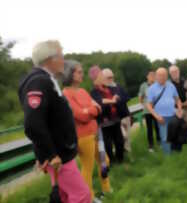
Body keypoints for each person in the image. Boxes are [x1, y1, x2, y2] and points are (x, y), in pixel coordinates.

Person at [18, 40, 91, 203]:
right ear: (49, 59)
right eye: (61, 55)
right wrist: (50, 154)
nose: (63, 60)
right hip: (58, 155)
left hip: (57, 153)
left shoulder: (45, 79)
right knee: (82, 196)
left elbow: (46, 119)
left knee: (64, 196)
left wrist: (43, 152)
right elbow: (32, 124)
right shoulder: (38, 81)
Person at [62, 60, 111, 202]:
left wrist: (89, 110)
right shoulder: (66, 94)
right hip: (83, 136)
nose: (82, 74)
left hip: (96, 132)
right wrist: (90, 110)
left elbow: (97, 108)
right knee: (87, 167)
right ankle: (89, 197)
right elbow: (80, 116)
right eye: (78, 72)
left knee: (104, 161)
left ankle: (106, 188)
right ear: (69, 74)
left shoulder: (83, 91)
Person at [90, 66, 125, 163]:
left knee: (120, 141)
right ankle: (112, 162)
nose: (102, 77)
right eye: (100, 75)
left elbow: (117, 96)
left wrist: (116, 97)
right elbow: (100, 101)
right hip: (104, 122)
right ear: (96, 77)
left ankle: (120, 160)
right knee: (108, 145)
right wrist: (112, 100)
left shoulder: (108, 88)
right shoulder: (94, 91)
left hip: (115, 119)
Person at [147, 67, 182, 154]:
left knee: (174, 134)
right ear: (156, 76)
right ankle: (168, 156)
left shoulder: (171, 85)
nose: (162, 77)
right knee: (165, 137)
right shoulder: (151, 88)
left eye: (164, 75)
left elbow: (177, 99)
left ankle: (176, 152)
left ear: (167, 76)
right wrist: (157, 116)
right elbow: (149, 106)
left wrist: (180, 110)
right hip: (161, 117)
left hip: (173, 115)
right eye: (159, 75)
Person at [102, 68, 131, 152]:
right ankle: (120, 151)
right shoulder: (104, 90)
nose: (111, 79)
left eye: (112, 77)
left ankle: (128, 153)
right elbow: (104, 103)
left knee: (127, 137)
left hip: (125, 115)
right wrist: (113, 101)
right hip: (115, 118)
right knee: (122, 136)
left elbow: (127, 97)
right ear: (103, 78)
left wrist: (118, 99)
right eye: (109, 77)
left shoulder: (118, 86)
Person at [138, 71, 161, 152]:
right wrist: (144, 101)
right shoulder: (143, 86)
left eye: (154, 75)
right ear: (147, 77)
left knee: (158, 127)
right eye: (150, 75)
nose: (152, 77)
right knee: (149, 128)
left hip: (157, 110)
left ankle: (160, 142)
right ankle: (151, 146)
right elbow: (140, 99)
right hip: (147, 111)